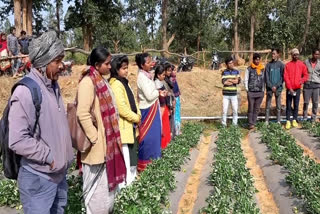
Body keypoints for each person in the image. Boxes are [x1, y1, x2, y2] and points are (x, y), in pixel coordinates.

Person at [8, 31, 74, 214]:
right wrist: (49, 157)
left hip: (58, 177)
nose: (62, 66)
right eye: (57, 61)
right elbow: (17, 139)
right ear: (43, 63)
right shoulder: (26, 91)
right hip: (39, 179)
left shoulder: (53, 85)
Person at [77, 47, 126, 213]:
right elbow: (82, 113)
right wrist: (95, 138)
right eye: (107, 63)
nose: (110, 66)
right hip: (96, 148)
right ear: (97, 65)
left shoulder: (101, 80)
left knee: (106, 191)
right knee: (96, 192)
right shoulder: (88, 82)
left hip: (107, 145)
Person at [109, 55, 141, 188]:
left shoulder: (124, 82)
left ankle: (131, 183)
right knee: (126, 159)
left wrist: (138, 114)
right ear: (116, 69)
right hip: (124, 126)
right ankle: (125, 187)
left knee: (132, 157)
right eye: (123, 68)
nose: (126, 71)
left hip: (131, 125)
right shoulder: (116, 84)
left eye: (127, 68)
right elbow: (121, 107)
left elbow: (133, 102)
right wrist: (135, 117)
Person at [136, 52, 164, 172]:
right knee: (147, 138)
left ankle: (155, 162)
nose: (151, 64)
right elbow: (149, 95)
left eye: (150, 61)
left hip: (153, 108)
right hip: (147, 110)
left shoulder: (148, 76)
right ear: (142, 65)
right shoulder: (141, 77)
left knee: (155, 137)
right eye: (148, 62)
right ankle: (145, 164)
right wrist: (158, 93)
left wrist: (157, 93)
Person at [284, 48, 308, 129]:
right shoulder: (287, 65)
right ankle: (288, 120)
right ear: (292, 55)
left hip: (297, 89)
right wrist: (289, 88)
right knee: (288, 104)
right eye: (294, 55)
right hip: (289, 89)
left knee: (296, 104)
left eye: (297, 55)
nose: (296, 56)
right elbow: (286, 77)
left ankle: (294, 119)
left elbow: (306, 75)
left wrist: (301, 81)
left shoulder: (302, 65)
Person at [244, 53, 265, 129]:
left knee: (256, 108)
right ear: (253, 60)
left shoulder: (262, 68)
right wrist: (247, 90)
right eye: (256, 59)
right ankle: (250, 123)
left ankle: (254, 122)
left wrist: (263, 90)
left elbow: (264, 80)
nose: (257, 61)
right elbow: (246, 80)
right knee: (251, 108)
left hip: (260, 92)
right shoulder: (249, 69)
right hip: (251, 92)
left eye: (258, 59)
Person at [265, 48, 285, 124]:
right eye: (272, 54)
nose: (272, 55)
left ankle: (278, 120)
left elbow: (283, 77)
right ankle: (266, 121)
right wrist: (270, 86)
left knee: (278, 106)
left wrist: (276, 86)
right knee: (268, 105)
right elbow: (266, 77)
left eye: (274, 53)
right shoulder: (268, 65)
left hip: (278, 88)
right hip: (270, 88)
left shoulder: (281, 65)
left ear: (278, 54)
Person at [154, 64, 171, 149]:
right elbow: (159, 97)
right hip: (162, 107)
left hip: (164, 106)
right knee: (163, 128)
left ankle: (165, 146)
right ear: (158, 75)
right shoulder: (156, 83)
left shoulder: (160, 82)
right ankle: (163, 146)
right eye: (163, 75)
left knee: (166, 127)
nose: (164, 76)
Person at [221, 56, 241, 126]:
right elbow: (224, 82)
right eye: (230, 63)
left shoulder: (236, 71)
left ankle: (234, 125)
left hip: (234, 95)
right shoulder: (224, 72)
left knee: (235, 110)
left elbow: (238, 81)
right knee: (224, 110)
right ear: (227, 64)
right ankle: (223, 125)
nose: (231, 64)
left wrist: (229, 80)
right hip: (226, 95)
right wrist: (233, 80)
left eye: (232, 63)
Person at [303, 49, 320, 122]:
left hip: (316, 86)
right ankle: (305, 117)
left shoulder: (319, 63)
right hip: (307, 85)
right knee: (306, 102)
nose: (317, 56)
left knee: (315, 103)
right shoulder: (306, 62)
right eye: (315, 54)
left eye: (318, 54)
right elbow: (302, 72)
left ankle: (313, 118)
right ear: (312, 54)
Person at [163, 62, 176, 138]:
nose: (170, 72)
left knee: (171, 121)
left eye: (170, 70)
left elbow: (171, 92)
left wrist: (173, 100)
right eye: (168, 70)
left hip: (171, 103)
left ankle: (171, 137)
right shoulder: (163, 81)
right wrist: (170, 105)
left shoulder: (169, 80)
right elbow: (167, 94)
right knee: (168, 122)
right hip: (167, 104)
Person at [170, 64, 181, 135]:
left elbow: (177, 89)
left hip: (177, 98)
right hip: (174, 99)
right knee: (175, 114)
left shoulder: (174, 79)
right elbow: (172, 91)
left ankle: (178, 129)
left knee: (178, 113)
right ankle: (176, 130)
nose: (175, 72)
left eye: (175, 70)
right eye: (173, 70)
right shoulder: (170, 80)